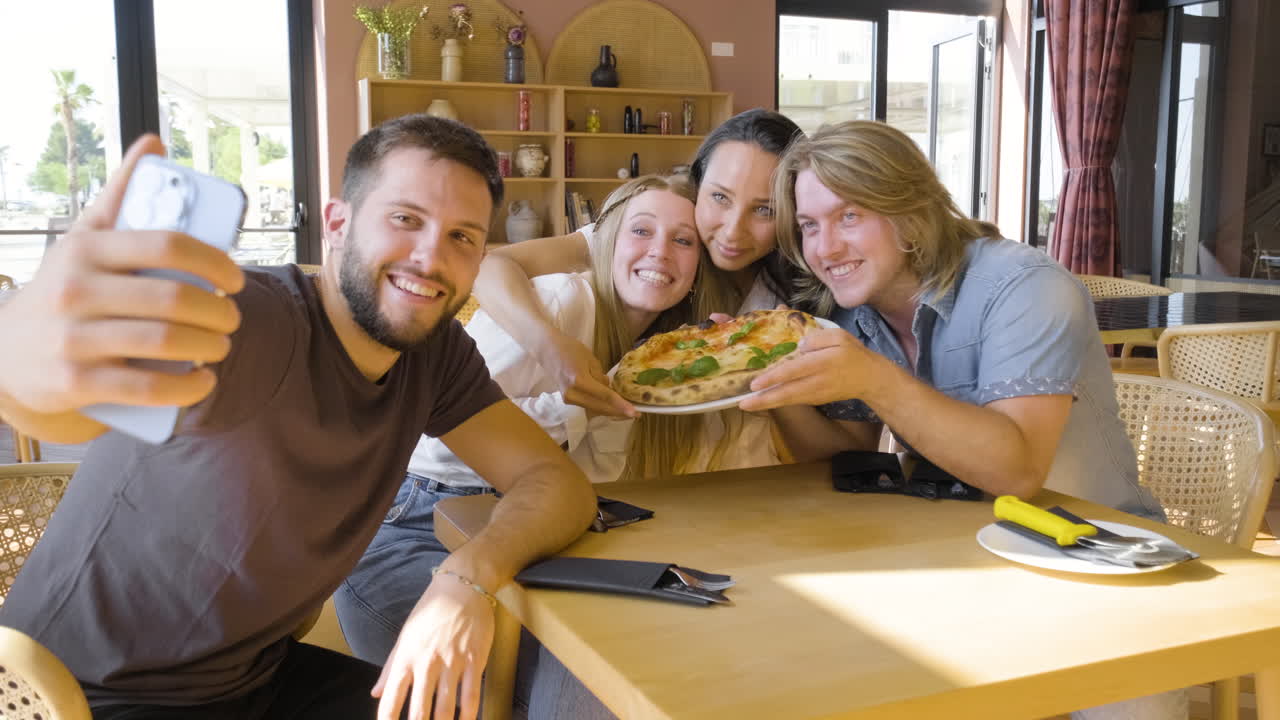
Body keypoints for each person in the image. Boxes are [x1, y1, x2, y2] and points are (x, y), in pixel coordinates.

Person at [0, 115, 598, 720]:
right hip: (80, 695)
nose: (429, 257)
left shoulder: (435, 355)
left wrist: (466, 575)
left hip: (259, 680)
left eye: (462, 237)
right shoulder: (244, 320)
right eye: (405, 219)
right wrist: (24, 352)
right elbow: (61, 411)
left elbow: (557, 484)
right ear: (337, 224)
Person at [741, 120, 1180, 720]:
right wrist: (774, 381)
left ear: (911, 210)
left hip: (1100, 571)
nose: (826, 248)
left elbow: (1018, 470)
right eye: (811, 226)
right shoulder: (853, 309)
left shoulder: (1024, 287)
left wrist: (873, 376)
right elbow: (845, 454)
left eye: (849, 216)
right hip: (958, 567)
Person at [336, 174, 735, 718]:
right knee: (562, 688)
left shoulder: (662, 351)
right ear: (606, 243)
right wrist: (582, 402)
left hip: (539, 535)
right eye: (641, 231)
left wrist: (734, 360)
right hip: (420, 519)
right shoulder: (558, 301)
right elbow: (446, 439)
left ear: (697, 270)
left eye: (683, 241)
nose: (660, 251)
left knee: (626, 665)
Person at [474, 108, 805, 421]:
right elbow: (493, 266)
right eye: (719, 197)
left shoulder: (795, 287)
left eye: (765, 210)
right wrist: (551, 347)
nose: (733, 232)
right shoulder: (652, 235)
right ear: (697, 186)